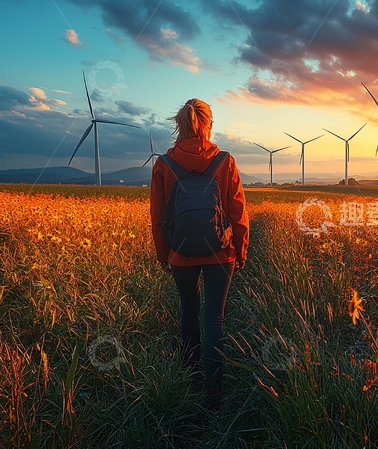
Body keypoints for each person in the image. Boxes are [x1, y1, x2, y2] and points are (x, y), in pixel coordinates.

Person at [149, 98, 249, 411]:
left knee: (189, 312)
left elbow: (158, 215)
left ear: (179, 125)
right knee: (214, 319)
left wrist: (164, 254)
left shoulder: (164, 164)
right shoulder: (225, 160)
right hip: (221, 253)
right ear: (208, 124)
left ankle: (190, 377)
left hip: (180, 253)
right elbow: (238, 211)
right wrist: (240, 249)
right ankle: (214, 391)